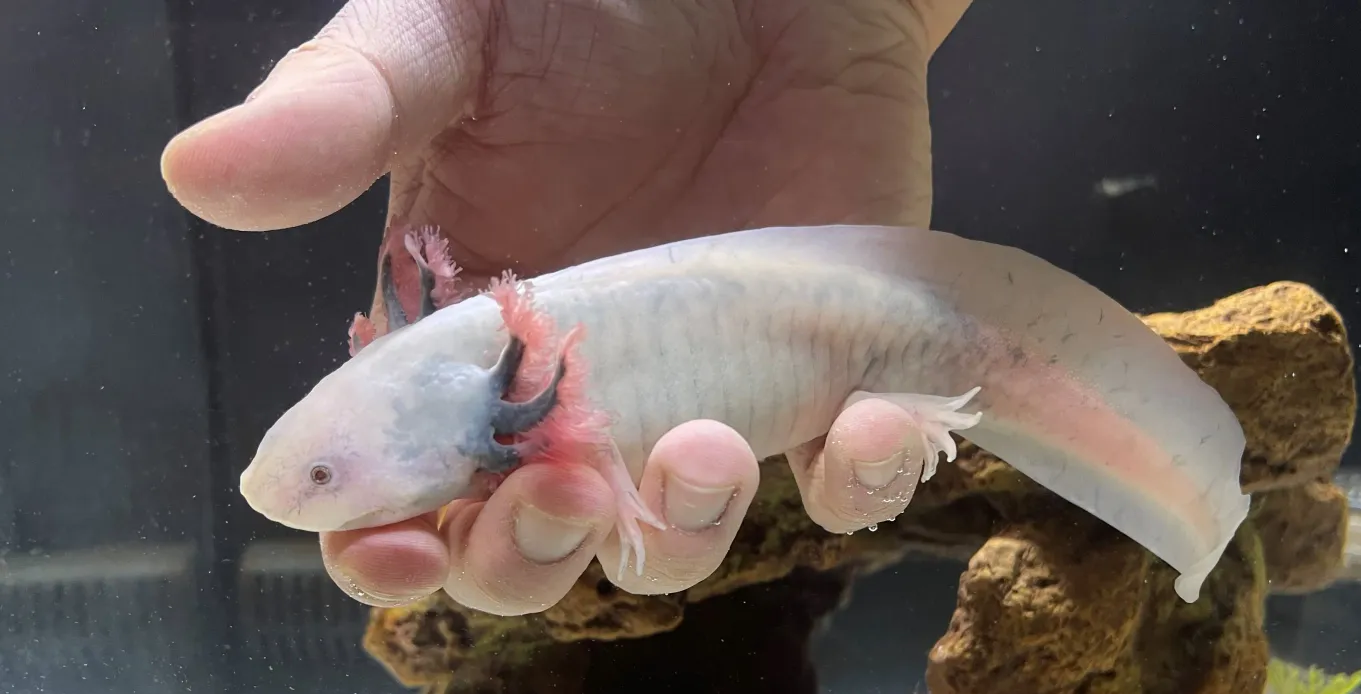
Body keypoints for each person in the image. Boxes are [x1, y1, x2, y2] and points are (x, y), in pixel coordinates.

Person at [160, 0, 972, 617]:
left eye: (324, 475)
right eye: (319, 472)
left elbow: (598, 454)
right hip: (848, 300)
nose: (311, 492)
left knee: (897, 404)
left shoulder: (515, 391)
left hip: (868, 314)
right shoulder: (469, 370)